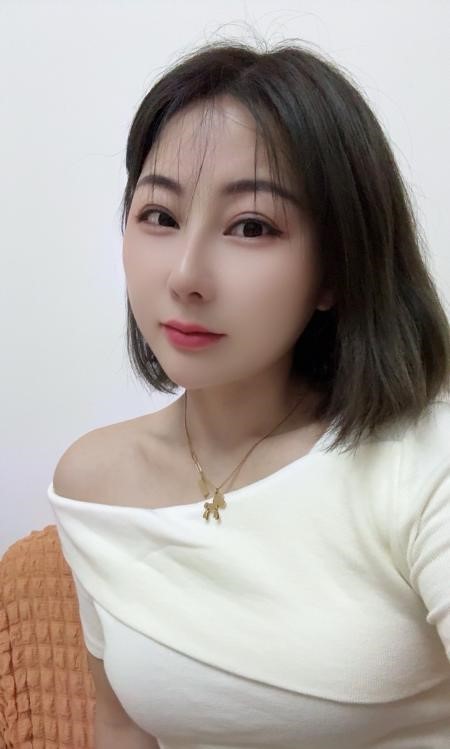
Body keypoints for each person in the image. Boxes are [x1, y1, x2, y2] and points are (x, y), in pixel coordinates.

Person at [48, 38, 450, 749]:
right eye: (160, 216)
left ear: (336, 270)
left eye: (251, 226)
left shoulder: (422, 456)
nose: (186, 275)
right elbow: (121, 725)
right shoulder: (95, 484)